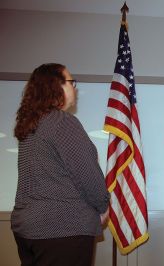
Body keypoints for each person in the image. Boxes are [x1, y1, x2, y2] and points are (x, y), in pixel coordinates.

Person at [11, 63, 110, 266]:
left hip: (27, 229)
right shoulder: (62, 122)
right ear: (55, 86)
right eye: (71, 82)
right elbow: (87, 174)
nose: (75, 87)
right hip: (63, 230)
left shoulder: (30, 125)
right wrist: (103, 206)